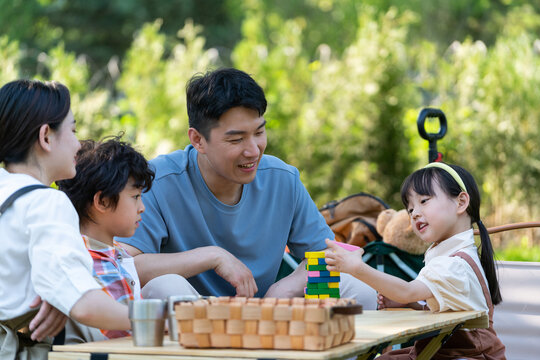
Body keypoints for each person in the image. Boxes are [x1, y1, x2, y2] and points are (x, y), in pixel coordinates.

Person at [118, 68, 376, 307]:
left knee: (357, 290)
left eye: (259, 132)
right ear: (198, 140)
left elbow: (328, 254)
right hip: (192, 326)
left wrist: (285, 288)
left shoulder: (282, 179)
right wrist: (212, 256)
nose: (253, 150)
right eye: (236, 139)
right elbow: (125, 267)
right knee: (166, 286)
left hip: (266, 315)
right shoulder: (157, 181)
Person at [0, 79, 130, 358]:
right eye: (72, 130)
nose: (79, 144)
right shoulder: (47, 202)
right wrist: (167, 320)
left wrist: (58, 293)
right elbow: (84, 305)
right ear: (46, 137)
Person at [325, 162, 506, 359]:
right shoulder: (447, 255)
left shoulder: (454, 265)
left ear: (461, 202)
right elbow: (447, 313)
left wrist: (357, 268)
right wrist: (414, 306)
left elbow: (407, 291)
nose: (415, 213)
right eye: (410, 209)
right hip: (442, 351)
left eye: (424, 201)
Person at [57, 137, 199, 343]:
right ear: (103, 201)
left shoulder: (113, 254)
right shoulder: (92, 262)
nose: (142, 207)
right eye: (135, 197)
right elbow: (123, 334)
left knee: (169, 284)